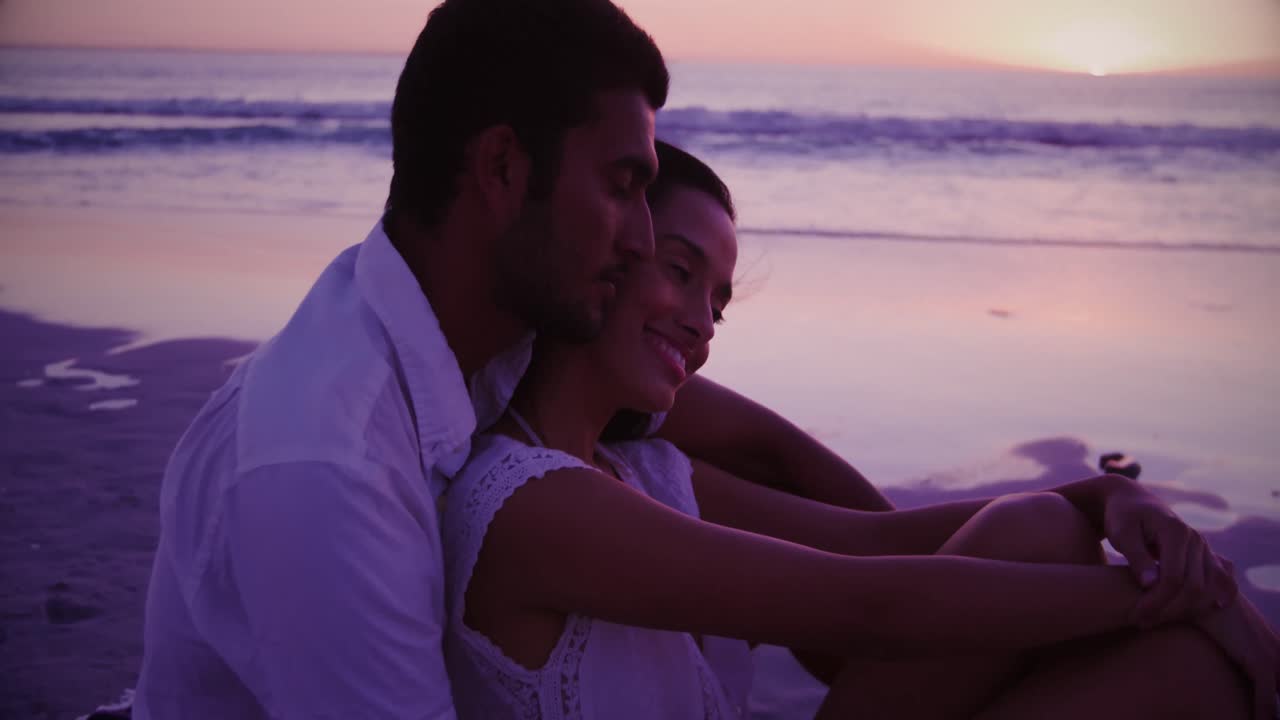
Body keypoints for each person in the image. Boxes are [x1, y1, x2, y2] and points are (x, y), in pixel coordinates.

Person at [130, 1, 886, 717]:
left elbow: (759, 447)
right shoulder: (331, 468)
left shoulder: (494, 340)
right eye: (622, 188)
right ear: (501, 168)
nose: (642, 240)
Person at [443, 140, 1278, 719]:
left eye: (720, 301)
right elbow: (869, 607)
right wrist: (1185, 601)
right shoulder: (532, 505)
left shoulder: (645, 471)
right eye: (680, 271)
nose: (702, 324)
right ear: (603, 253)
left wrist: (1102, 497)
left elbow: (875, 543)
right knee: (1188, 673)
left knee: (1040, 524)